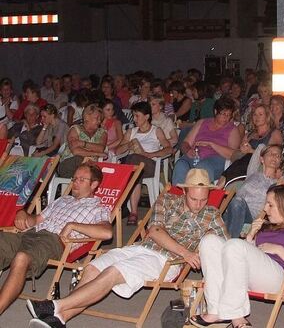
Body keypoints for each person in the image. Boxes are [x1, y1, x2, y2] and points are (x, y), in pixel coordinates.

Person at [27, 168, 227, 328]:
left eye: (203, 199)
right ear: (184, 191)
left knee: (113, 272)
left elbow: (225, 247)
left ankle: (55, 306)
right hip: (140, 247)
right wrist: (186, 252)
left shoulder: (212, 215)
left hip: (166, 260)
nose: (199, 204)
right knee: (92, 269)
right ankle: (59, 319)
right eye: (194, 199)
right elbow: (155, 230)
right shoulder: (167, 200)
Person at [190, 184, 284, 328]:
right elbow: (245, 259)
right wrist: (250, 236)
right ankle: (216, 311)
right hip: (253, 276)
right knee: (209, 241)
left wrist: (279, 250)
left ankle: (236, 315)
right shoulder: (265, 227)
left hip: (279, 278)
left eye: (270, 205)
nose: (265, 209)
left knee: (234, 244)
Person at [0, 163, 111, 315]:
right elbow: (36, 220)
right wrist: (23, 213)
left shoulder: (98, 209)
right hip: (29, 234)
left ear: (94, 184)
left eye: (82, 179)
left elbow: (106, 233)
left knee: (21, 258)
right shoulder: (62, 200)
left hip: (52, 242)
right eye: (74, 178)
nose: (75, 182)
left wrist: (73, 225)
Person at [115, 102, 173, 225]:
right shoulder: (131, 131)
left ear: (146, 116)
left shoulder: (156, 130)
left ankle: (123, 204)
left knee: (132, 160)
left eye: (137, 116)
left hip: (150, 165)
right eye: (133, 116)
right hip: (135, 167)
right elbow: (118, 151)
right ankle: (134, 213)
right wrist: (128, 144)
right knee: (134, 169)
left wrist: (151, 155)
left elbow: (169, 149)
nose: (134, 119)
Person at [222, 144, 284, 238]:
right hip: (231, 212)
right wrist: (253, 150)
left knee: (237, 202)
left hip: (250, 218)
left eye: (278, 155)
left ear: (280, 161)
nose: (274, 156)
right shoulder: (252, 173)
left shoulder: (278, 184)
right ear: (262, 159)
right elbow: (260, 146)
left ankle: (230, 242)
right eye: (271, 154)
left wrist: (280, 185)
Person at [173, 98, 241, 185]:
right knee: (180, 165)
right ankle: (179, 196)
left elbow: (233, 155)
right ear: (216, 111)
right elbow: (185, 143)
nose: (226, 118)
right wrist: (188, 150)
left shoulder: (232, 129)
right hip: (195, 156)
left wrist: (212, 144)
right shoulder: (202, 123)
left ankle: (199, 197)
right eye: (223, 114)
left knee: (202, 168)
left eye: (229, 115)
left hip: (216, 159)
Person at [221, 104, 282, 182]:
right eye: (254, 114)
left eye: (260, 114)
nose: (257, 117)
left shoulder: (274, 133)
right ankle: (225, 180)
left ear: (267, 117)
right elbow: (240, 152)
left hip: (263, 166)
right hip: (243, 163)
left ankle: (224, 179)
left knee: (247, 158)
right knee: (243, 158)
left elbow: (272, 154)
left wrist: (251, 151)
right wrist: (242, 148)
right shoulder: (249, 135)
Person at [57, 104, 108, 178]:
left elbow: (101, 148)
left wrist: (82, 143)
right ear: (87, 118)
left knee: (89, 168)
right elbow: (75, 151)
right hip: (69, 164)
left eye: (100, 119)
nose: (99, 121)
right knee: (79, 159)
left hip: (91, 167)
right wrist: (96, 153)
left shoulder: (102, 133)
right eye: (97, 118)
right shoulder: (75, 129)